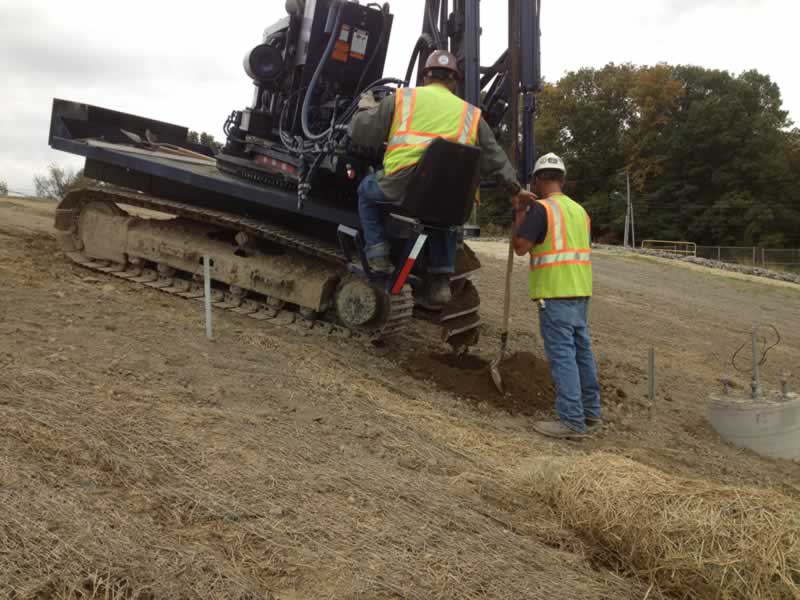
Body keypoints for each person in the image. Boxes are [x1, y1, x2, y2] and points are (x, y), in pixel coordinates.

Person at [351, 50, 535, 306]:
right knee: (445, 219)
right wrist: (516, 190)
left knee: (365, 192)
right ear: (454, 81)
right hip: (450, 196)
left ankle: (378, 255)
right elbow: (495, 157)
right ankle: (440, 279)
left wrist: (365, 107)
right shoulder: (471, 114)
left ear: (425, 76)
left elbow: (362, 134)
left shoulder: (403, 98)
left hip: (405, 185)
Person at [511, 153, 601, 440]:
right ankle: (590, 411)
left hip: (554, 292)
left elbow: (521, 247)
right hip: (580, 291)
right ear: (562, 179)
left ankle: (572, 421)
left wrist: (519, 212)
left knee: (563, 357)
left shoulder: (541, 209)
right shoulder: (580, 211)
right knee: (582, 353)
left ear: (538, 180)